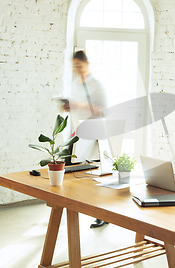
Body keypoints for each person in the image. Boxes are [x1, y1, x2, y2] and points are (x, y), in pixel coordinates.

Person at [65, 50, 109, 228]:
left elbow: (103, 109)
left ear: (87, 64)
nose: (77, 69)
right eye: (74, 66)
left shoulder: (96, 85)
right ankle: (70, 209)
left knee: (94, 176)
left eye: (79, 65)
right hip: (77, 133)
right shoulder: (75, 84)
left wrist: (80, 105)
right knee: (71, 172)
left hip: (93, 133)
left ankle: (102, 214)